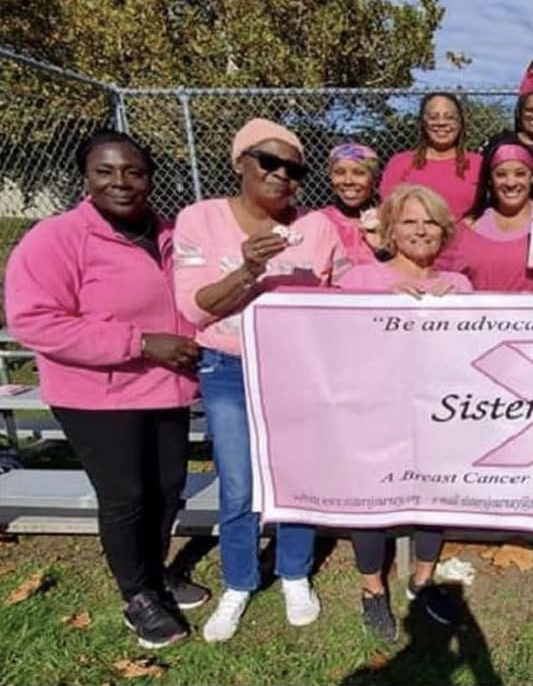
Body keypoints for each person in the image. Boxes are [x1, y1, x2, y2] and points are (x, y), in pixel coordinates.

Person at [5, 130, 207, 649]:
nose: (121, 182)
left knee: (166, 490)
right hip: (97, 394)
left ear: (149, 178)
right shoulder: (57, 238)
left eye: (133, 171)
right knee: (126, 496)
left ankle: (156, 572)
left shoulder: (168, 235)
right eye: (106, 171)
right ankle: (137, 595)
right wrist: (140, 343)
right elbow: (35, 321)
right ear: (86, 179)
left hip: (166, 387)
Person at [173, 118, 350, 643]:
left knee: (296, 476)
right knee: (238, 483)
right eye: (268, 162)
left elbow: (341, 294)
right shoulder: (199, 219)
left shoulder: (316, 228)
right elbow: (194, 308)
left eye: (293, 168)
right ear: (239, 164)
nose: (281, 175)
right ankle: (239, 580)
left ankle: (294, 572)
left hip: (295, 368)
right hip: (227, 368)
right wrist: (246, 270)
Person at [337, 185, 471, 640]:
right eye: (410, 221)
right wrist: (383, 305)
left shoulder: (462, 287)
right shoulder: (358, 280)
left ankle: (422, 582)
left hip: (437, 414)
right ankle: (373, 589)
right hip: (372, 414)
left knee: (434, 497)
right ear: (390, 230)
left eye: (430, 221)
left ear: (444, 231)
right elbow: (332, 344)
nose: (420, 230)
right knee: (371, 502)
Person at [438, 135, 533, 292]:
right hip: (478, 316)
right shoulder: (464, 230)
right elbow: (435, 277)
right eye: (501, 174)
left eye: (520, 174)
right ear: (489, 180)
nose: (511, 183)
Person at [379, 93, 483, 221]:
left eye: (450, 117)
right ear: (423, 123)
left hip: (467, 238)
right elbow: (388, 210)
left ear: (460, 123)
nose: (441, 123)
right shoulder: (400, 163)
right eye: (433, 117)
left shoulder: (479, 164)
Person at [294, 141, 388, 268]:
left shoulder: (389, 221)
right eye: (339, 172)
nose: (348, 181)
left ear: (374, 179)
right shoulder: (318, 221)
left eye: (359, 173)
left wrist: (382, 249)